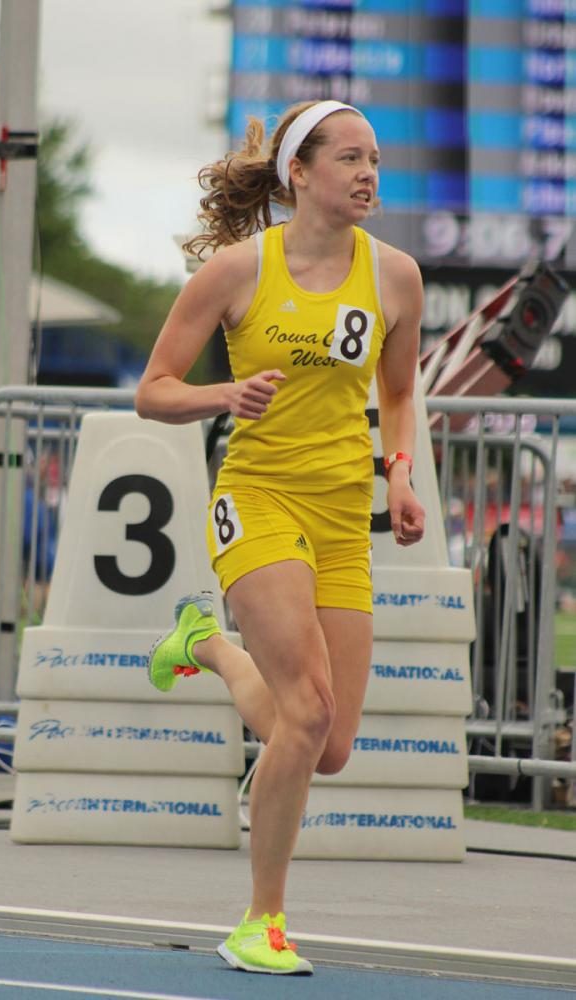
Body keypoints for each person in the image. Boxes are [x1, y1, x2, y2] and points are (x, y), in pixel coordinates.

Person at [135, 99, 426, 976]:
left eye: (375, 157)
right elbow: (152, 390)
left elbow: (402, 392)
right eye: (348, 157)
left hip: (342, 512)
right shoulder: (234, 271)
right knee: (303, 711)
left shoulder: (397, 276)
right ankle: (260, 920)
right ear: (299, 173)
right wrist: (222, 395)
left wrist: (400, 472)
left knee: (326, 743)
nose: (367, 172)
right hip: (257, 499)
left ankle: (209, 650)